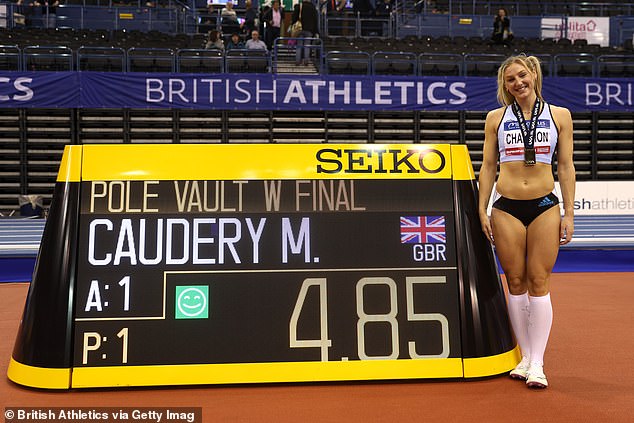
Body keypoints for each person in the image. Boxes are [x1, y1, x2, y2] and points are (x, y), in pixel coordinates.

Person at [478, 54, 576, 389]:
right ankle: (523, 357)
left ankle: (538, 362)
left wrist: (569, 212)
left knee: (539, 280)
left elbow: (565, 166)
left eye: (522, 76)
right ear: (504, 86)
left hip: (545, 206)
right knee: (515, 281)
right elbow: (488, 166)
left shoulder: (560, 116)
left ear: (533, 74)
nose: (517, 83)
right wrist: (482, 208)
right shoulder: (495, 118)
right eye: (510, 80)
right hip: (505, 207)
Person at [292, 0, 318, 65]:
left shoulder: (299, 6)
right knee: (307, 46)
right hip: (309, 30)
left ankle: (297, 61)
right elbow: (315, 20)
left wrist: (293, 24)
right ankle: (306, 61)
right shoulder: (313, 7)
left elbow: (294, 17)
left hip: (299, 29)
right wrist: (316, 31)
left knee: (299, 45)